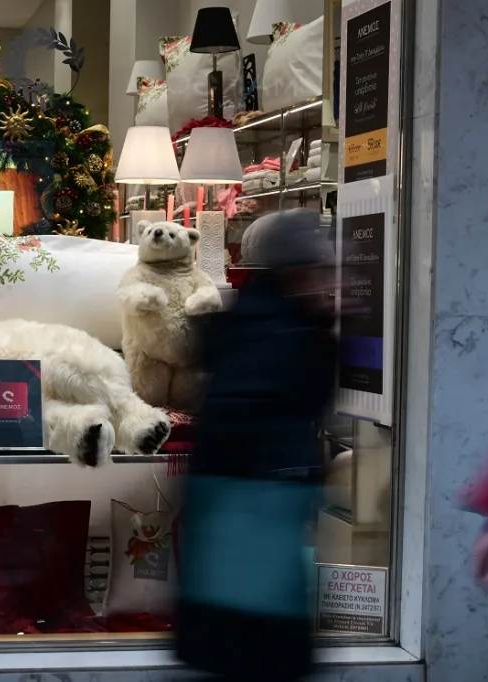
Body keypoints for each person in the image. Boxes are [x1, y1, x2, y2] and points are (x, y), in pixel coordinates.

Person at [176, 210, 337, 682]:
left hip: (221, 487)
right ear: (297, 270)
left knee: (222, 623)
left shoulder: (236, 318)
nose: (327, 279)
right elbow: (309, 400)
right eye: (320, 268)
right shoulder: (298, 332)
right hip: (264, 493)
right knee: (265, 632)